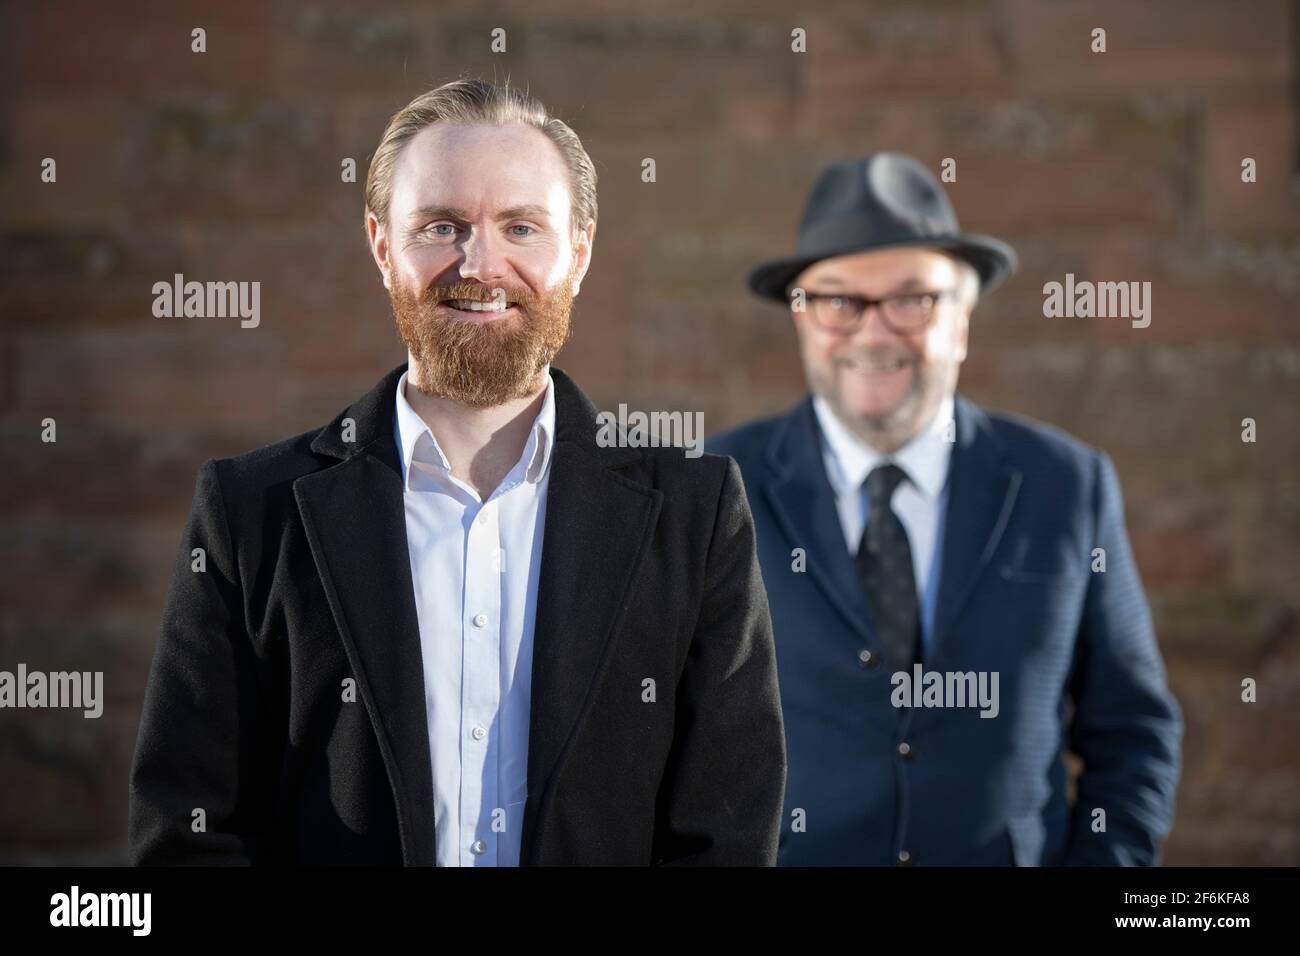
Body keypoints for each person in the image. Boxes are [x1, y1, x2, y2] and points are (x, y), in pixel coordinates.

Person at [129, 78, 785, 866]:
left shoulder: (696, 513)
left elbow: (726, 836)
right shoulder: (249, 512)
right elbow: (188, 833)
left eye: (521, 227)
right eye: (443, 226)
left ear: (578, 253)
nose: (481, 264)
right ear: (382, 246)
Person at [708, 152, 1181, 866]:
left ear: (962, 320)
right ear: (801, 319)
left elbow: (1133, 731)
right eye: (837, 300)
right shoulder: (715, 489)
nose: (872, 332)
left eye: (912, 299)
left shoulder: (1064, 485)